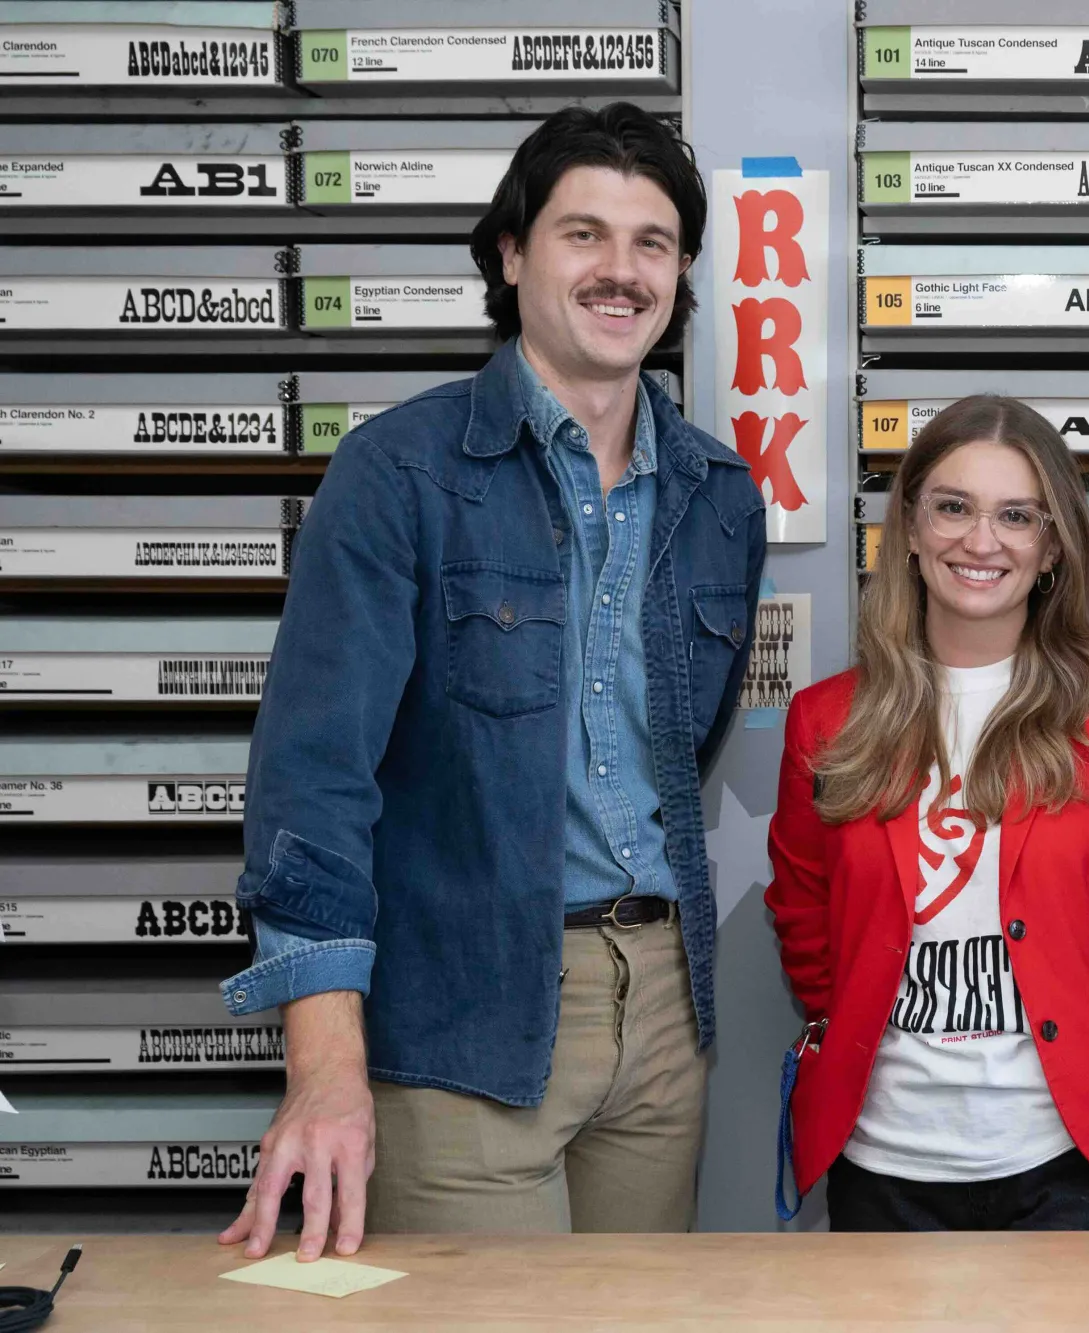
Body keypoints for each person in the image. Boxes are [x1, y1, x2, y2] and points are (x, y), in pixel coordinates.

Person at [218, 104, 764, 1258]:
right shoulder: (397, 474)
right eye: (583, 234)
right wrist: (323, 1071)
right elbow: (312, 783)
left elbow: (683, 746)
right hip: (462, 1007)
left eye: (653, 242)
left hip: (665, 1006)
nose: (621, 271)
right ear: (510, 255)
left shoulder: (721, 496)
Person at [766, 396, 1089, 1231]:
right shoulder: (826, 719)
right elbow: (802, 911)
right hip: (886, 1161)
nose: (982, 541)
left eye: (1017, 515)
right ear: (908, 527)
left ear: (1052, 547)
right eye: (953, 507)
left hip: (1081, 1160)